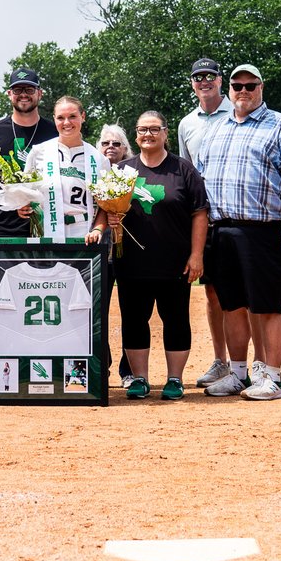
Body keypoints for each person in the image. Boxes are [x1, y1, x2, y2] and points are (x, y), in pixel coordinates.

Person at [195, 63, 281, 401]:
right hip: (222, 229)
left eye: (251, 85)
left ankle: (273, 379)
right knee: (232, 305)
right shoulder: (215, 128)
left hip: (264, 229)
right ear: (229, 89)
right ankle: (237, 374)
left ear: (261, 88)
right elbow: (201, 178)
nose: (244, 91)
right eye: (238, 85)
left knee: (269, 306)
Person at [115, 111, 208, 401]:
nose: (148, 134)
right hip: (132, 263)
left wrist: (196, 255)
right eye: (142, 129)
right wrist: (110, 218)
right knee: (134, 321)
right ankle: (140, 379)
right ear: (135, 135)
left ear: (166, 133)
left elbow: (200, 213)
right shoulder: (122, 170)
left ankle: (175, 379)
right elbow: (106, 210)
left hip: (174, 262)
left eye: (155, 129)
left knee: (176, 320)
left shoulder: (183, 169)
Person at [177, 57, 237, 389]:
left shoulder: (238, 114)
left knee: (243, 293)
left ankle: (250, 364)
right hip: (206, 218)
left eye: (210, 76)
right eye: (198, 77)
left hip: (237, 214)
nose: (204, 81)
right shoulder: (187, 124)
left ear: (220, 80)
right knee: (212, 292)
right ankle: (221, 361)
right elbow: (186, 173)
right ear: (192, 83)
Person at [0, 67, 58, 247]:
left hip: (48, 227)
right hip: (2, 229)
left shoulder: (55, 132)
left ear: (39, 93)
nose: (23, 95)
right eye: (17, 90)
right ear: (9, 94)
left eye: (29, 90)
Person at [19, 96, 110, 241]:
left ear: (83, 116)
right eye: (60, 118)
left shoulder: (99, 159)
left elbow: (106, 205)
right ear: (54, 119)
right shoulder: (38, 152)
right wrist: (22, 206)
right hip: (46, 230)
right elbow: (25, 195)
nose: (66, 122)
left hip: (84, 234)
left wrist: (98, 229)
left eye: (72, 116)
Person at [97, 123, 135, 386]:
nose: (110, 147)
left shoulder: (134, 174)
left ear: (125, 149)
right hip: (99, 252)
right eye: (105, 143)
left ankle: (129, 370)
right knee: (97, 311)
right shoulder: (93, 171)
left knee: (132, 312)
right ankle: (102, 365)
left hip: (128, 253)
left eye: (116, 143)